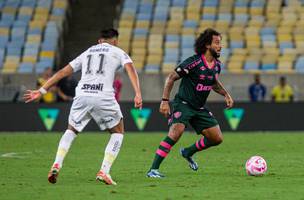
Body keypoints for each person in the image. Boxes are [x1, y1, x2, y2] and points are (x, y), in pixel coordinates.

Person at [24, 28, 142, 185]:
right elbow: (131, 70)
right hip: (103, 96)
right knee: (118, 132)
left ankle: (56, 164)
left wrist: (41, 90)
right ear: (115, 41)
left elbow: (62, 72)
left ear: (100, 40)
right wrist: (138, 93)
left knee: (71, 130)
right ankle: (104, 171)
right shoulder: (118, 51)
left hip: (82, 95)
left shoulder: (88, 52)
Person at [147, 28, 234, 178]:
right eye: (217, 43)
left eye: (221, 43)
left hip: (199, 108)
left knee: (216, 138)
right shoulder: (193, 62)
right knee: (176, 133)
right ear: (207, 45)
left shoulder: (217, 65)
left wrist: (226, 94)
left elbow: (213, 83)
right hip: (184, 104)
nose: (220, 46)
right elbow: (171, 78)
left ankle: (188, 152)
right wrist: (165, 101)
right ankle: (153, 170)